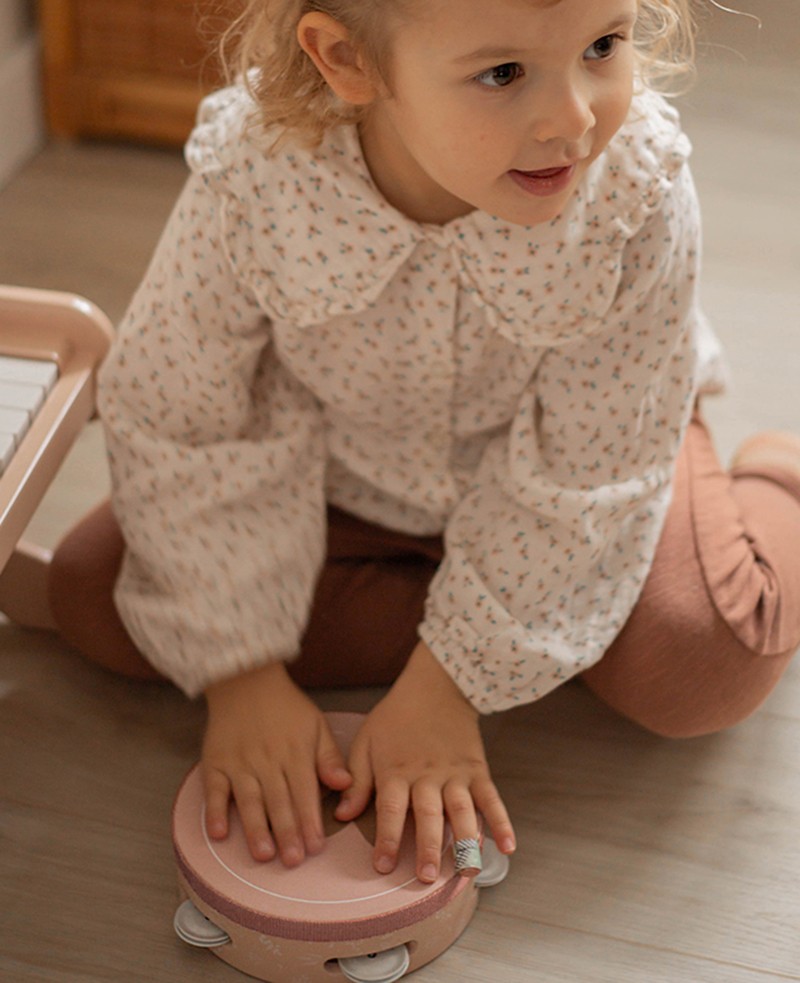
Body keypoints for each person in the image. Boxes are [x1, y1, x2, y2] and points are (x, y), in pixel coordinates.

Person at [5, 0, 800, 885]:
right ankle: (504, 622)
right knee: (92, 591)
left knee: (703, 664)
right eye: (503, 74)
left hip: (595, 458)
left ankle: (777, 480)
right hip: (345, 475)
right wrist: (243, 677)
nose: (575, 116)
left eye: (603, 46)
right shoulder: (258, 171)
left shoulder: (635, 187)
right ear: (348, 61)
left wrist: (446, 688)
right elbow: (179, 407)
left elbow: (599, 471)